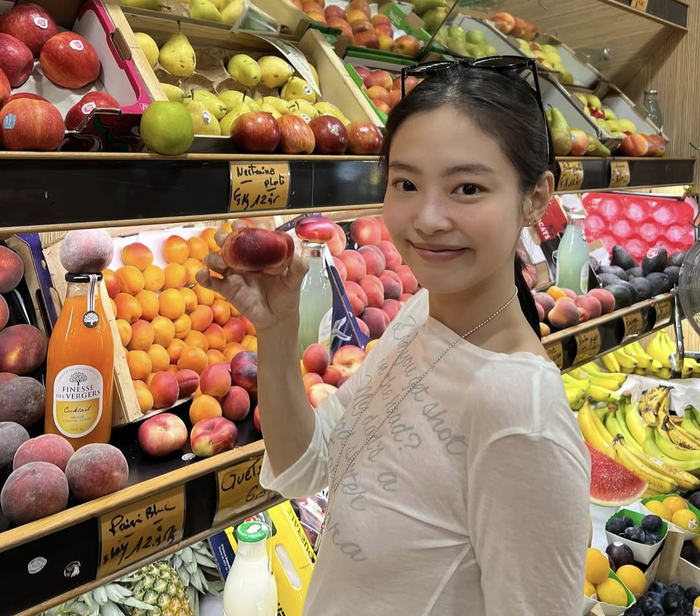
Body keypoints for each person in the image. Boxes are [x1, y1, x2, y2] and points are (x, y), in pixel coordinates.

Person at [197, 59, 590, 616]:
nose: (427, 218)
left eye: (468, 187)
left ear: (535, 197)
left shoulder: (522, 424)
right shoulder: (423, 315)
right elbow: (308, 464)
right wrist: (278, 329)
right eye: (406, 183)